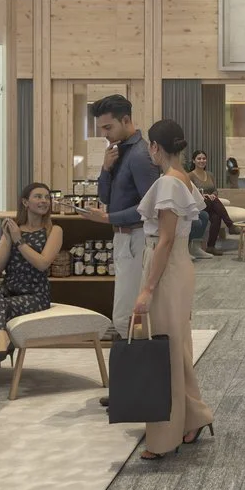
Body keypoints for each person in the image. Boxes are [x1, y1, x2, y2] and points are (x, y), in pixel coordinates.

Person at [125, 119, 214, 461]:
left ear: (155, 148)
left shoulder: (167, 184)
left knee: (164, 350)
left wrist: (147, 289)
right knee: (175, 346)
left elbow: (163, 242)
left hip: (165, 268)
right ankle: (193, 417)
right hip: (176, 267)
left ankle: (164, 437)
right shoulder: (183, 181)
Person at [0, 182, 62, 402]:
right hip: (10, 290)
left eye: (47, 197)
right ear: (25, 202)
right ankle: (0, 336)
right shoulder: (13, 229)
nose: (44, 200)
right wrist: (7, 238)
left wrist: (18, 240)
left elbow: (42, 264)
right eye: (38, 196)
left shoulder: (54, 230)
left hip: (36, 294)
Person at [74, 94, 159, 345]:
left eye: (108, 127)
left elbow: (150, 207)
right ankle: (134, 373)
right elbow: (104, 196)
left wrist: (108, 217)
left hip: (137, 237)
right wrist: (105, 169)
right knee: (125, 313)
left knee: (126, 316)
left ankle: (136, 373)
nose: (105, 134)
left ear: (126, 120)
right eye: (102, 128)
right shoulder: (118, 151)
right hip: (123, 236)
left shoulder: (141, 155)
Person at [188, 150, 234, 257]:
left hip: (210, 204)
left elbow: (215, 190)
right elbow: (189, 192)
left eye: (204, 158)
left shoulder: (210, 174)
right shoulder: (189, 176)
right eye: (199, 158)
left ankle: (211, 247)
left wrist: (213, 194)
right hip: (198, 205)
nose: (202, 160)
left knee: (216, 216)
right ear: (193, 161)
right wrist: (201, 196)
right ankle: (230, 225)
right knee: (212, 202)